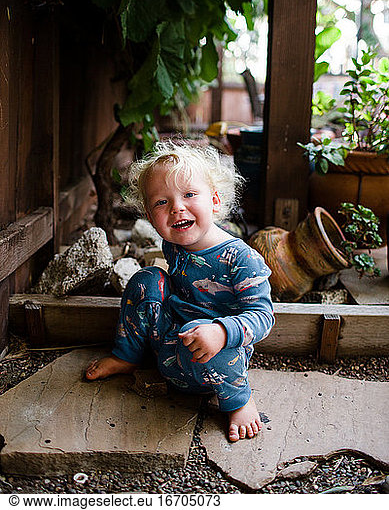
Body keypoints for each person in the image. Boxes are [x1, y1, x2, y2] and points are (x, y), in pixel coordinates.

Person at [86, 140, 274, 442]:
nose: (176, 207)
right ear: (149, 214)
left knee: (203, 334)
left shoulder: (242, 259)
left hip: (212, 358)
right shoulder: (174, 243)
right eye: (161, 202)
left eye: (189, 194)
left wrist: (222, 333)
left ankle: (239, 399)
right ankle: (128, 356)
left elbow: (263, 317)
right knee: (146, 278)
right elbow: (172, 289)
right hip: (170, 340)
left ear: (214, 200)